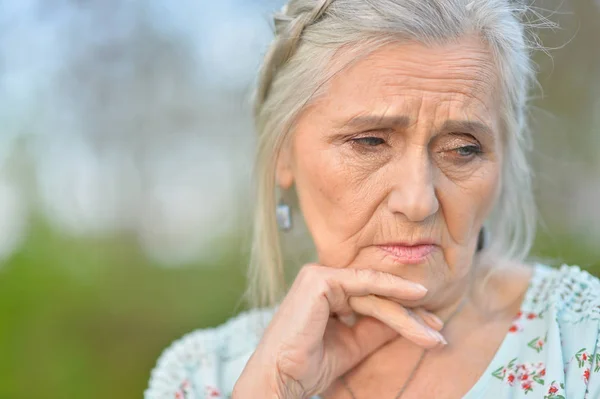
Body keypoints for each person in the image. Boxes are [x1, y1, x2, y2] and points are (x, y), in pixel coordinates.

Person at [144, 0, 600, 398]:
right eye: (370, 142)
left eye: (463, 149)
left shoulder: (580, 342)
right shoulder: (201, 376)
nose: (418, 201)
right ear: (284, 153)